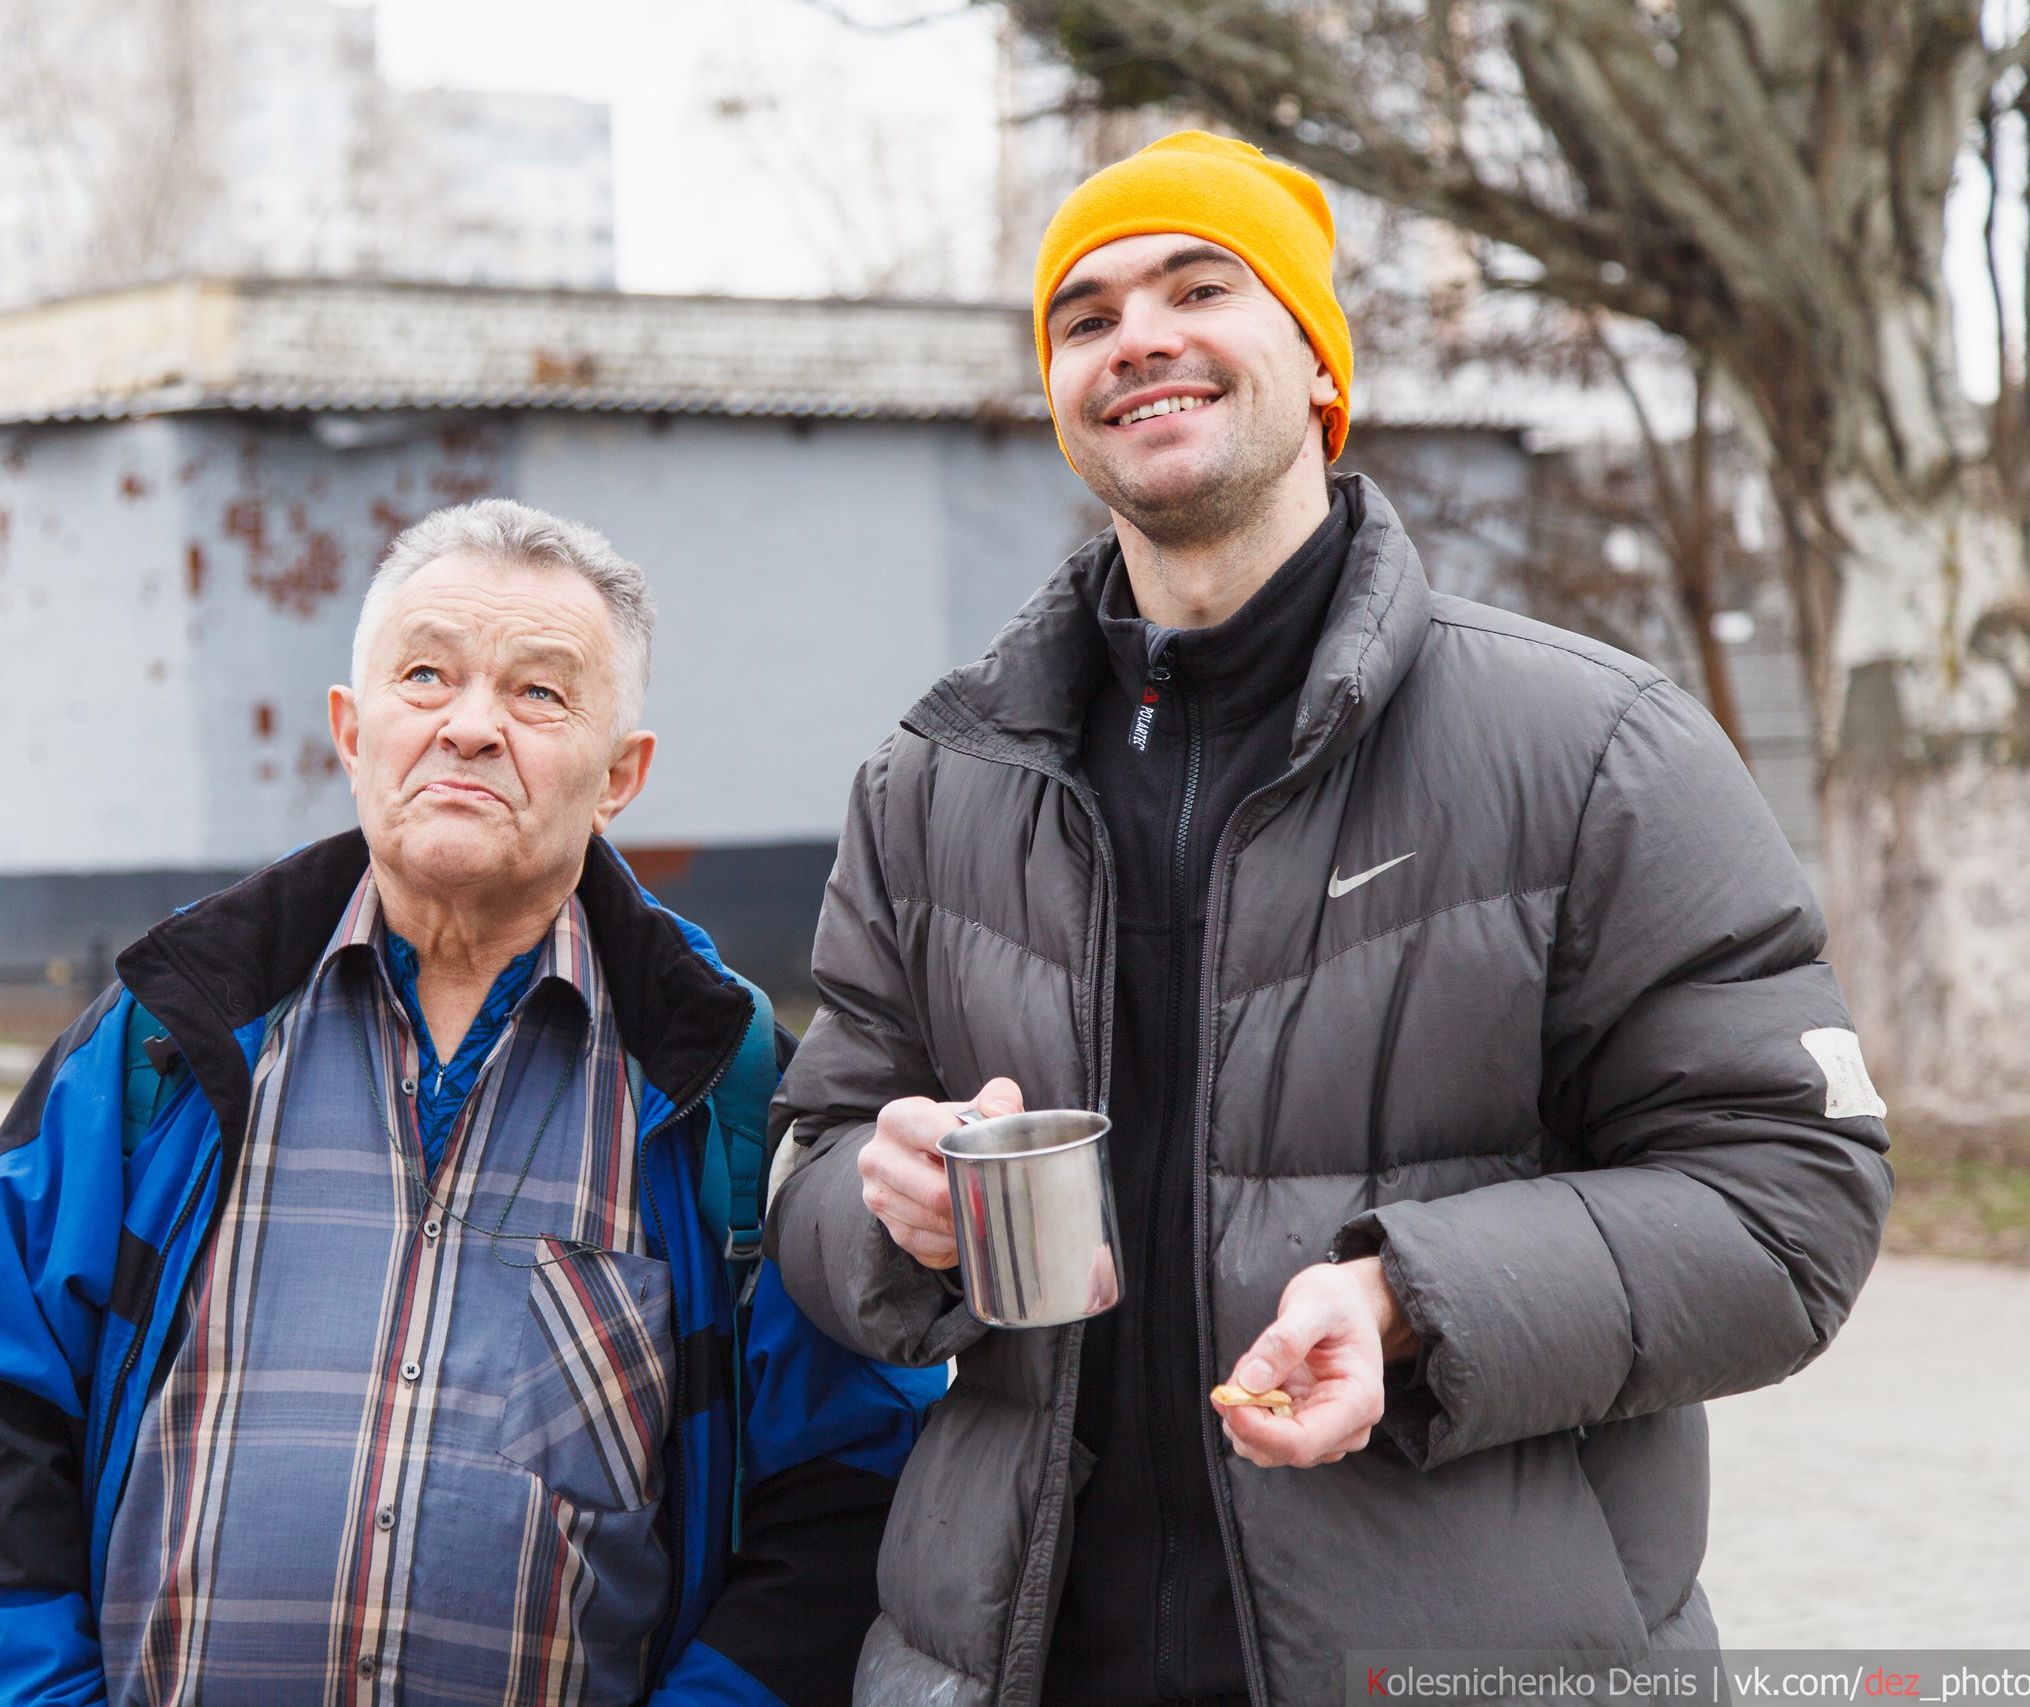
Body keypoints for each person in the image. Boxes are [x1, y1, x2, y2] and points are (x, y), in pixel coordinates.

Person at [762, 133, 1894, 1707]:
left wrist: (1409, 1296)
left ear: (1314, 359)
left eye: (1198, 285)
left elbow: (1792, 1201)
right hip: (1007, 1663)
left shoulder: (1594, 746)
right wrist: (886, 1204)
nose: (1136, 334)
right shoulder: (934, 780)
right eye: (1082, 317)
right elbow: (811, 1169)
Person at [0, 498, 942, 1707]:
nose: (471, 728)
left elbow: (841, 1495)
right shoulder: (166, 1042)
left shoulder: (727, 1087)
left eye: (540, 694)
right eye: (426, 676)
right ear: (352, 732)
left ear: (620, 777)